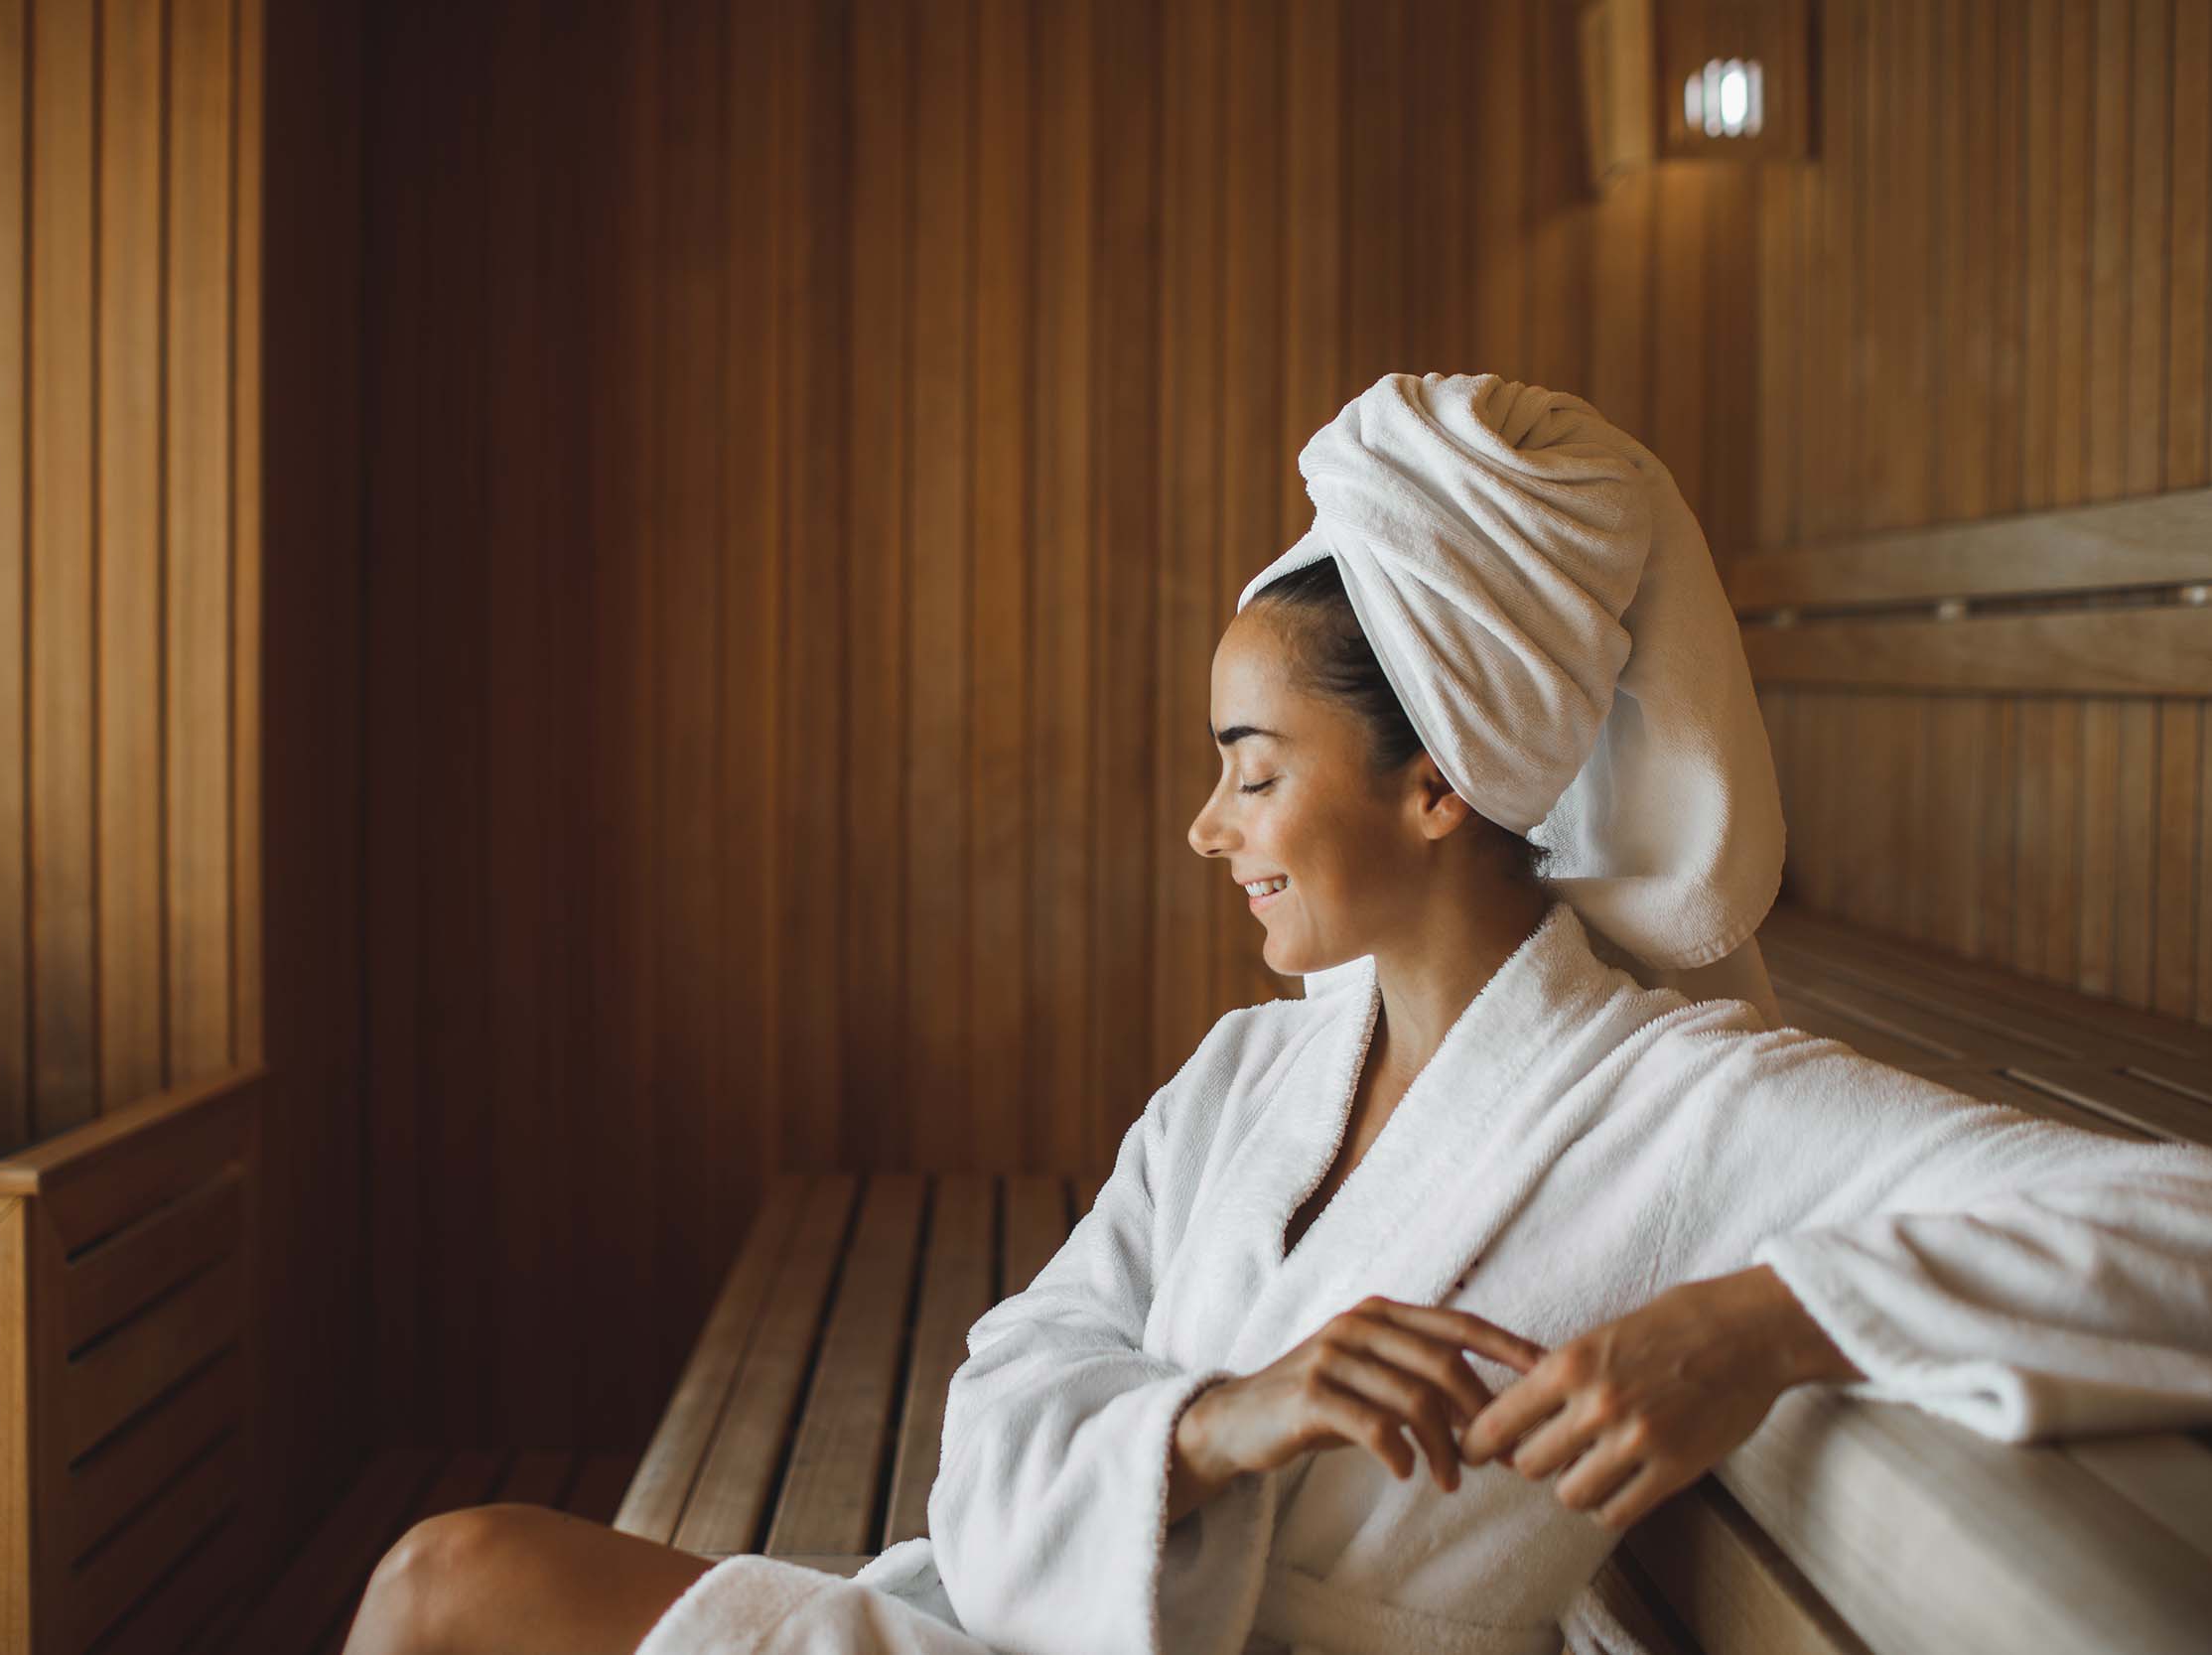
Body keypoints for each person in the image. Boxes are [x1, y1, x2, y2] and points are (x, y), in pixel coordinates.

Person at [342, 373, 2212, 1655]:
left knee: (457, 1594)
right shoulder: (1260, 1068)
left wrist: (1761, 1323)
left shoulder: (1686, 1101)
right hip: (1035, 1617)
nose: (1206, 826)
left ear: (1438, 785)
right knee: (451, 1575)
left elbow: (2179, 1223)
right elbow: (1014, 1372)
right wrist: (1214, 1428)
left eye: (1250, 770)